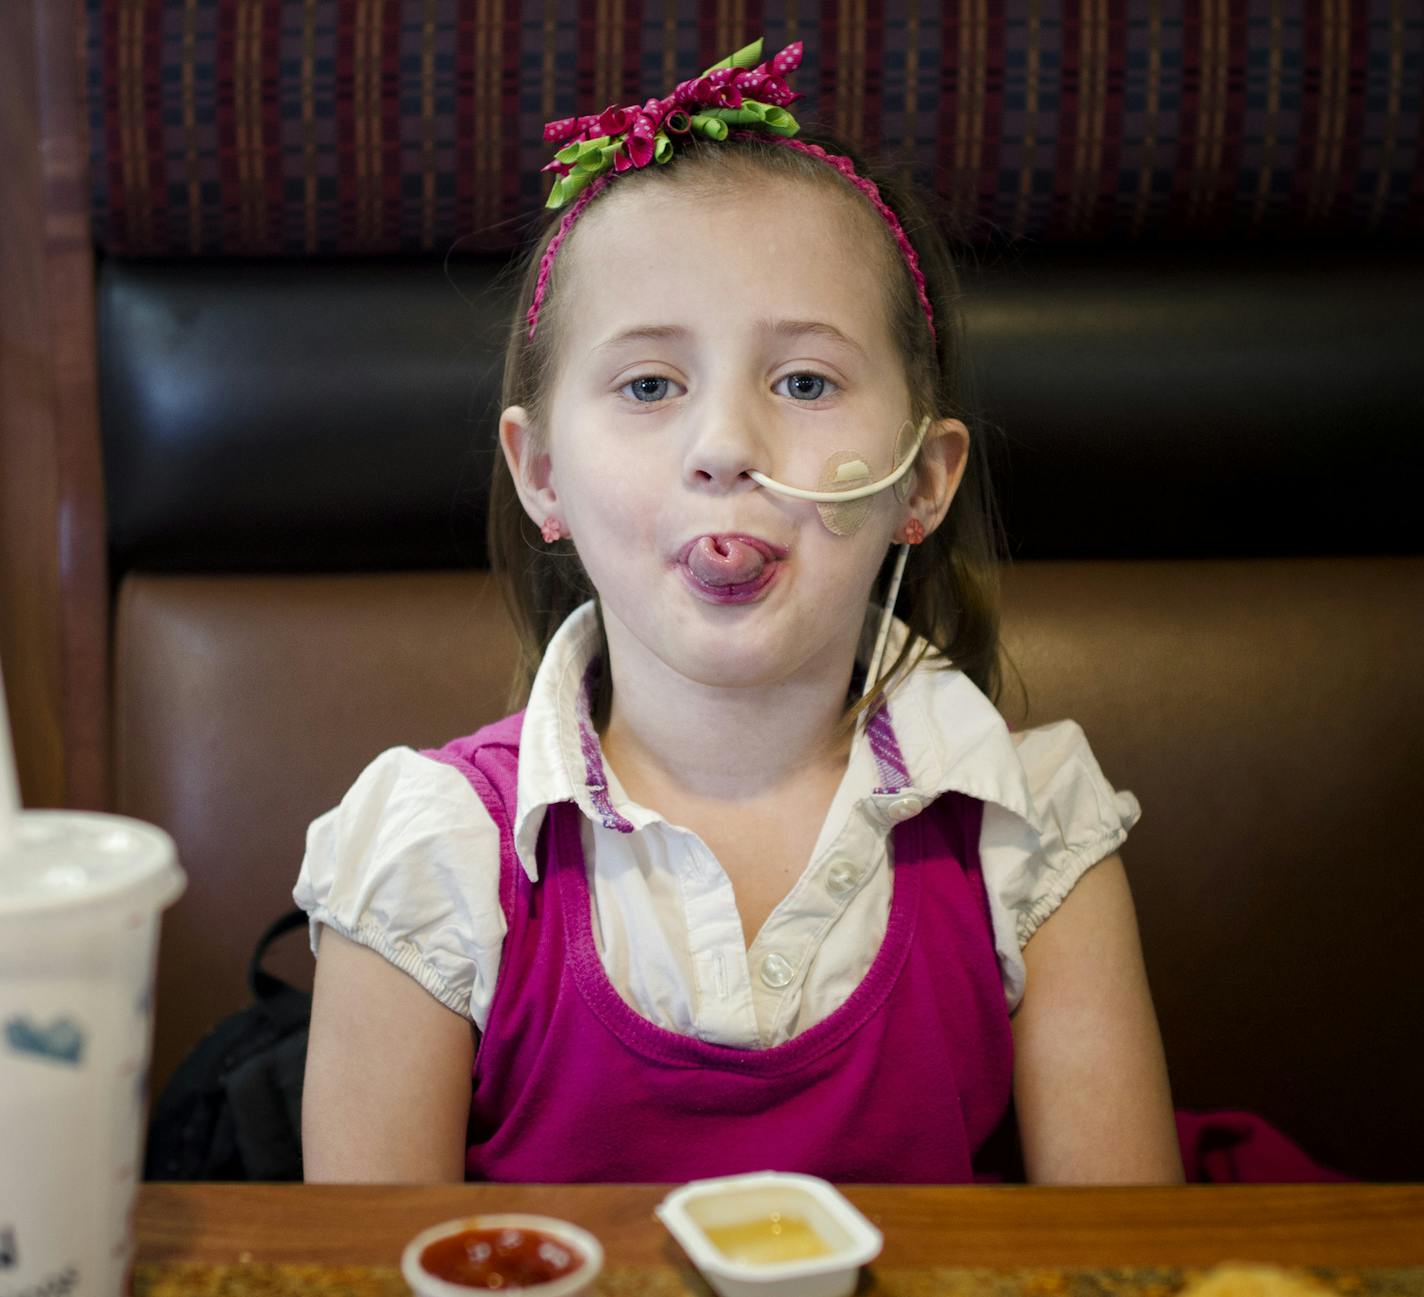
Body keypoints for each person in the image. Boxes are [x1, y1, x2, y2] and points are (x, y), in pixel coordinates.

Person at [294, 38, 1183, 1185]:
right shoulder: (429, 855)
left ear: (920, 480)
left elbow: (1116, 1258)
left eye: (804, 382)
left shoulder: (1033, 835)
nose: (724, 448)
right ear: (542, 473)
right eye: (649, 385)